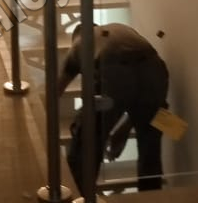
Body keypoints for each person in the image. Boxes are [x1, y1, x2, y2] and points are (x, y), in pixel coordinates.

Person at [58, 21, 169, 194]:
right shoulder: (119, 29)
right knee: (150, 147)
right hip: (155, 68)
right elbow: (137, 89)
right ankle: (151, 201)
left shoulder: (78, 44)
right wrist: (123, 130)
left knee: (85, 140)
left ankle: (80, 198)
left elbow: (55, 90)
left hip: (114, 65)